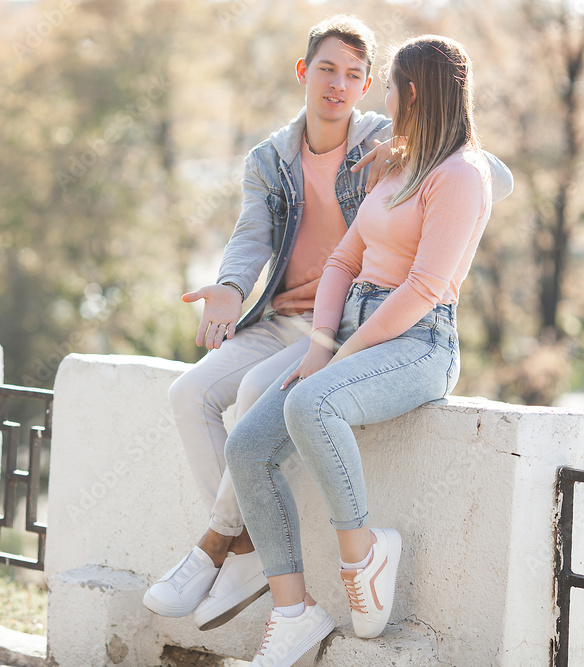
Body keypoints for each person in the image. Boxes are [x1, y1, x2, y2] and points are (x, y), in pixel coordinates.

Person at [142, 16, 512, 632]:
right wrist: (231, 290)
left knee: (269, 393)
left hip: (352, 324)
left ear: (373, 87)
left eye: (356, 75)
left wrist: (419, 155)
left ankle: (221, 546)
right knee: (190, 394)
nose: (339, 85)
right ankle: (247, 546)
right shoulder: (270, 159)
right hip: (290, 320)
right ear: (303, 73)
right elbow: (251, 237)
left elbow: (483, 172)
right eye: (327, 70)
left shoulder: (389, 140)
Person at [222, 34, 491, 665]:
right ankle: (293, 612)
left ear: (414, 91)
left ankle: (363, 550)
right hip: (349, 327)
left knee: (312, 405)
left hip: (418, 341)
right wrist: (321, 345)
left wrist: (343, 357)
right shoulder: (397, 162)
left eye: (389, 85)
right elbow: (345, 257)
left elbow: (424, 287)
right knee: (248, 448)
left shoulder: (461, 175)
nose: (382, 99)